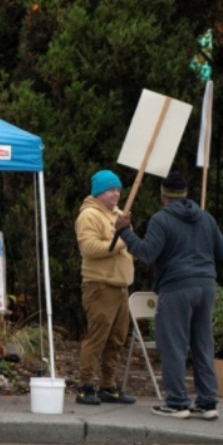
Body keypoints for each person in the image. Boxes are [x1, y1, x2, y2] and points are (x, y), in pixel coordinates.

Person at [115, 171, 223, 419]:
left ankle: (177, 402)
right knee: (202, 344)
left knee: (174, 345)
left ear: (163, 195)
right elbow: (222, 251)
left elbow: (147, 253)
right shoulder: (205, 217)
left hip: (177, 287)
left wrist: (125, 231)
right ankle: (208, 402)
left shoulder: (161, 219)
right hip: (206, 285)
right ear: (185, 193)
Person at [74, 169, 137, 405]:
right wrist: (122, 241)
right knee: (97, 337)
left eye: (119, 190)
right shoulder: (89, 215)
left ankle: (108, 385)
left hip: (121, 286)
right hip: (100, 286)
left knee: (117, 338)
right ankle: (85, 385)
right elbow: (89, 248)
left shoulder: (119, 214)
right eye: (111, 190)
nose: (116, 194)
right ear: (99, 192)